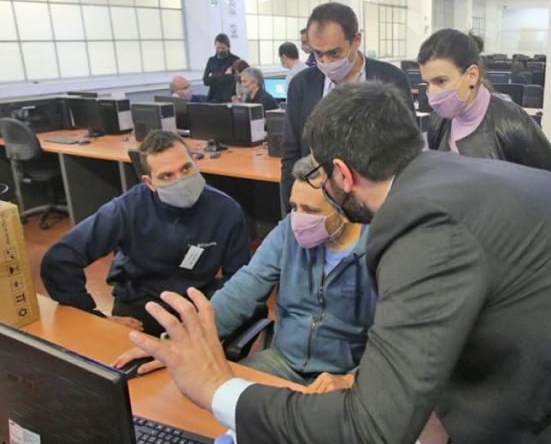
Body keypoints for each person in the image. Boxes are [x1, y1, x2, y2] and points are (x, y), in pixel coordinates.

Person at [130, 81, 551, 444]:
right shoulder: (451, 178)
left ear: (342, 173)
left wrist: (217, 388)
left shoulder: (420, 222)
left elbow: (373, 431)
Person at [114, 156, 376, 392]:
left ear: (346, 210)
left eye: (309, 210)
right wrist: (183, 342)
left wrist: (353, 379)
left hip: (344, 375)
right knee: (206, 399)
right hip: (282, 362)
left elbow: (394, 342)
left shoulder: (379, 251)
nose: (297, 218)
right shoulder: (288, 232)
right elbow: (244, 289)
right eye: (294, 207)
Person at [41, 131, 250, 336]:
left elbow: (239, 277)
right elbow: (59, 260)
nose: (181, 180)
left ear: (196, 162)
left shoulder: (226, 210)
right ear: (149, 182)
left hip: (196, 305)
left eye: (186, 168)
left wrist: (211, 314)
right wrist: (95, 317)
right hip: (140, 306)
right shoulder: (127, 209)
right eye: (167, 176)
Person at [280, 2, 413, 210]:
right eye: (318, 54)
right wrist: (292, 211)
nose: (326, 61)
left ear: (356, 40)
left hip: (375, 204)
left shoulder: (392, 79)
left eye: (335, 53)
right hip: (317, 202)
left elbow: (406, 154)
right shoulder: (302, 85)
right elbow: (291, 153)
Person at [419, 29, 551, 172]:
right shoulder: (438, 122)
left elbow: (546, 181)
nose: (432, 92)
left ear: (472, 75)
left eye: (441, 81)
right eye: (427, 83)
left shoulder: (514, 125)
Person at [203, 33, 241, 103]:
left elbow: (234, 79)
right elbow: (206, 81)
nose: (220, 50)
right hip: (213, 97)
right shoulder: (211, 60)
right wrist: (225, 76)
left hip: (229, 97)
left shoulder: (235, 60)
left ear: (228, 47)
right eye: (218, 48)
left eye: (223, 48)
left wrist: (214, 77)